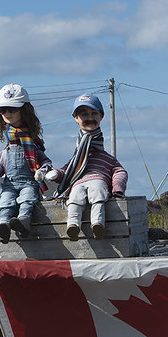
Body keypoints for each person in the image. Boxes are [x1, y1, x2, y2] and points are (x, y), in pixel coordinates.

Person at [45, 93, 127, 240]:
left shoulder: (107, 159)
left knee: (98, 194)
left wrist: (117, 188)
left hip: (99, 180)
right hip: (78, 183)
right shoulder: (77, 159)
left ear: (101, 116)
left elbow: (119, 171)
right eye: (84, 114)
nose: (90, 118)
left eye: (94, 113)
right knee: (75, 197)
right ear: (76, 118)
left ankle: (97, 224)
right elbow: (66, 171)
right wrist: (56, 174)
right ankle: (73, 226)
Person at [0, 83, 53, 242]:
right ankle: (4, 225)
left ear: (24, 110)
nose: (7, 113)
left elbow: (46, 161)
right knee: (6, 201)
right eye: (3, 110)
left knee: (27, 198)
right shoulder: (6, 151)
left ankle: (24, 220)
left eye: (12, 109)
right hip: (9, 183)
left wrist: (42, 171)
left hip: (29, 182)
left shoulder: (33, 145)